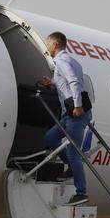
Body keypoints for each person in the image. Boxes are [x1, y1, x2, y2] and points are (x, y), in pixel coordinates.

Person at [39, 32, 93, 206]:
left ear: (55, 45)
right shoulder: (71, 60)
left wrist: (77, 106)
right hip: (69, 113)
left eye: (48, 44)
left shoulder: (62, 61)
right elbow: (67, 82)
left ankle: (81, 192)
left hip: (75, 113)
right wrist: (53, 83)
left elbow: (74, 82)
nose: (47, 47)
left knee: (74, 152)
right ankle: (70, 167)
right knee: (50, 138)